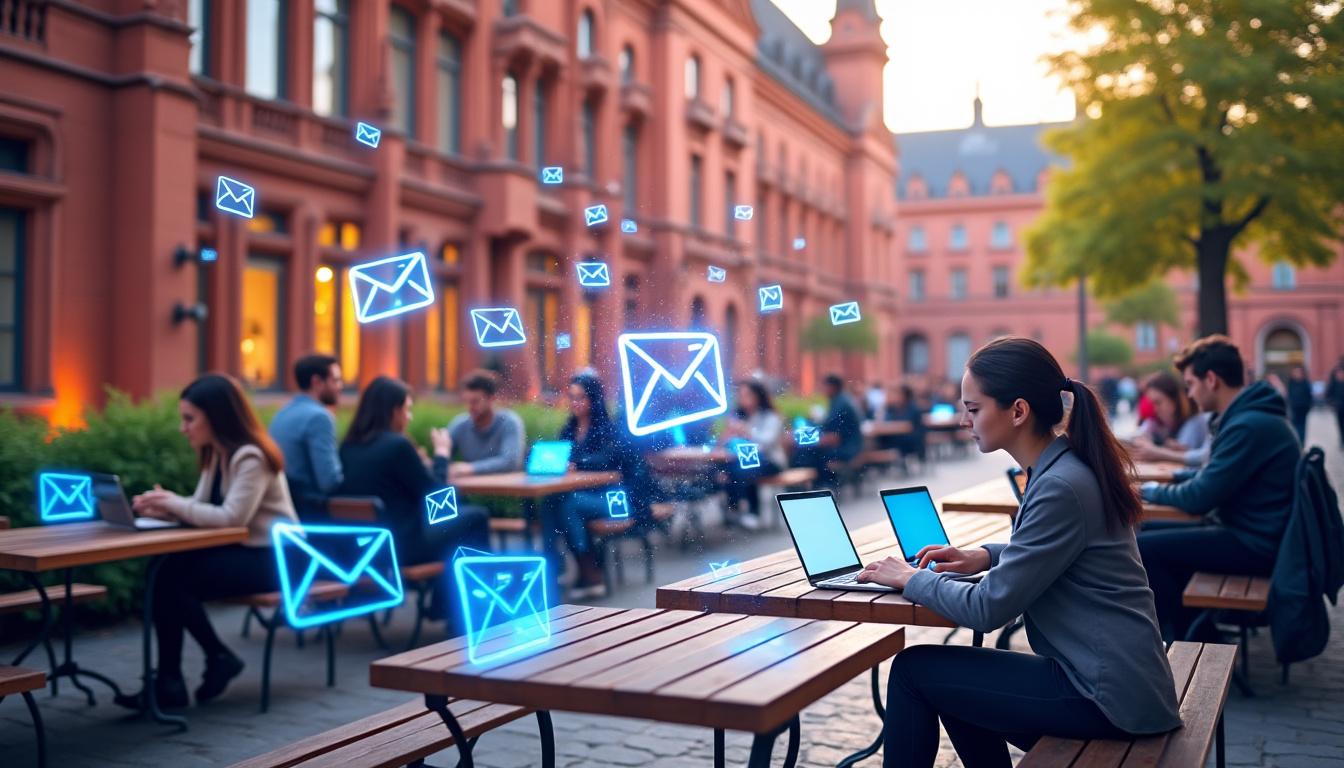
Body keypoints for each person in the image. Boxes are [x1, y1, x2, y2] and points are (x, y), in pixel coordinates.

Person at [855, 337, 1180, 767]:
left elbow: (988, 609)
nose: (964, 421)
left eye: (973, 409)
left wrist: (911, 577)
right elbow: (1060, 551)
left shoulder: (1060, 484)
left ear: (1018, 411)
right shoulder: (1062, 468)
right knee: (958, 686)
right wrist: (987, 555)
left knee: (915, 671)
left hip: (1107, 697)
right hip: (1119, 683)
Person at [119, 374, 299, 709]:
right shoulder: (217, 453)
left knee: (169, 576)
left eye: (189, 418)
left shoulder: (251, 456)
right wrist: (162, 508)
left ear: (215, 417)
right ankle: (184, 675)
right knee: (164, 571)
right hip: (247, 552)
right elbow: (202, 508)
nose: (182, 427)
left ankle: (188, 674)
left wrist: (174, 504)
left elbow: (232, 517)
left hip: (277, 559)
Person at [1136, 336, 1300, 641]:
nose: (1189, 393)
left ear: (1211, 380)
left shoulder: (1247, 425)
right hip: (1252, 533)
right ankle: (1196, 630)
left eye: (1191, 383)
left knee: (1145, 548)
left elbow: (1199, 498)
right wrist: (1163, 483)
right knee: (1143, 530)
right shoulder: (1248, 418)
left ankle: (1188, 641)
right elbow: (1212, 474)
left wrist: (1149, 490)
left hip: (1255, 544)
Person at [336, 376, 490, 630]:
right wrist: (441, 455)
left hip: (367, 550)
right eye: (407, 409)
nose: (409, 417)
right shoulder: (397, 446)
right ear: (393, 410)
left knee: (460, 524)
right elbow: (437, 498)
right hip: (404, 547)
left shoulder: (349, 446)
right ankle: (460, 608)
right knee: (476, 517)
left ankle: (446, 604)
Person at [542, 374, 622, 599]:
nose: (575, 402)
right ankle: (554, 564)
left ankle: (589, 569)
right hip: (579, 494)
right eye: (572, 397)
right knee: (549, 502)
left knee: (569, 505)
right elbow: (560, 455)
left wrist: (578, 464)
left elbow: (609, 459)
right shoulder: (568, 429)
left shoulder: (607, 429)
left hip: (608, 498)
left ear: (593, 399)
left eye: (581, 397)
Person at [268, 354, 344, 519]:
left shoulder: (281, 414)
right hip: (311, 516)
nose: (340, 386)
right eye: (336, 380)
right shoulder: (319, 418)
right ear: (317, 382)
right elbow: (329, 481)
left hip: (283, 513)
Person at [718, 380, 787, 530]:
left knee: (744, 468)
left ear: (758, 396)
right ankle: (740, 509)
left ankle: (743, 510)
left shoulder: (771, 417)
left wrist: (747, 431)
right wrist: (727, 435)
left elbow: (767, 443)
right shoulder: (737, 416)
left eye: (747, 395)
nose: (743, 398)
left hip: (771, 461)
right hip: (741, 460)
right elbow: (724, 443)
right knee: (727, 469)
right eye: (741, 395)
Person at [445, 370, 525, 478]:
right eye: (466, 401)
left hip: (504, 490)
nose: (469, 407)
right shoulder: (460, 424)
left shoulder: (509, 422)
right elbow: (443, 458)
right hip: (472, 491)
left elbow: (510, 462)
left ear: (491, 399)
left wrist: (471, 468)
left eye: (475, 402)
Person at [791, 374, 863, 488]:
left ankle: (822, 486)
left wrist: (804, 441)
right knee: (806, 452)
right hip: (850, 446)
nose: (822, 390)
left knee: (807, 454)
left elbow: (834, 437)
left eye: (824, 386)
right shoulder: (841, 400)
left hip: (847, 449)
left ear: (832, 387)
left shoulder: (841, 404)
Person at [1129, 371, 1211, 467]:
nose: (1155, 409)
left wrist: (1157, 451)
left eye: (1158, 402)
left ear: (1174, 400)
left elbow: (1199, 457)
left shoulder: (1195, 422)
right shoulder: (1159, 423)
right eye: (1153, 404)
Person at [879, 383, 927, 462]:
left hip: (910, 440)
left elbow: (909, 426)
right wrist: (885, 406)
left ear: (905, 396)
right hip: (897, 437)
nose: (895, 396)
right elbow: (885, 421)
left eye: (898, 394)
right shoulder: (892, 408)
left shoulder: (913, 409)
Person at [1286, 365, 1314, 443]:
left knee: (1302, 428)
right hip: (1294, 409)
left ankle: (1301, 443)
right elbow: (1289, 396)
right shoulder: (1291, 383)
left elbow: (1310, 397)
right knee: (1293, 427)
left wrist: (1308, 407)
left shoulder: (1306, 383)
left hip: (1303, 409)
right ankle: (1296, 442)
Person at [1328, 360, 1344, 449]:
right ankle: (1342, 440)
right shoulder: (1334, 380)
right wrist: (1331, 402)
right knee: (1340, 424)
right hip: (1338, 407)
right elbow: (1330, 392)